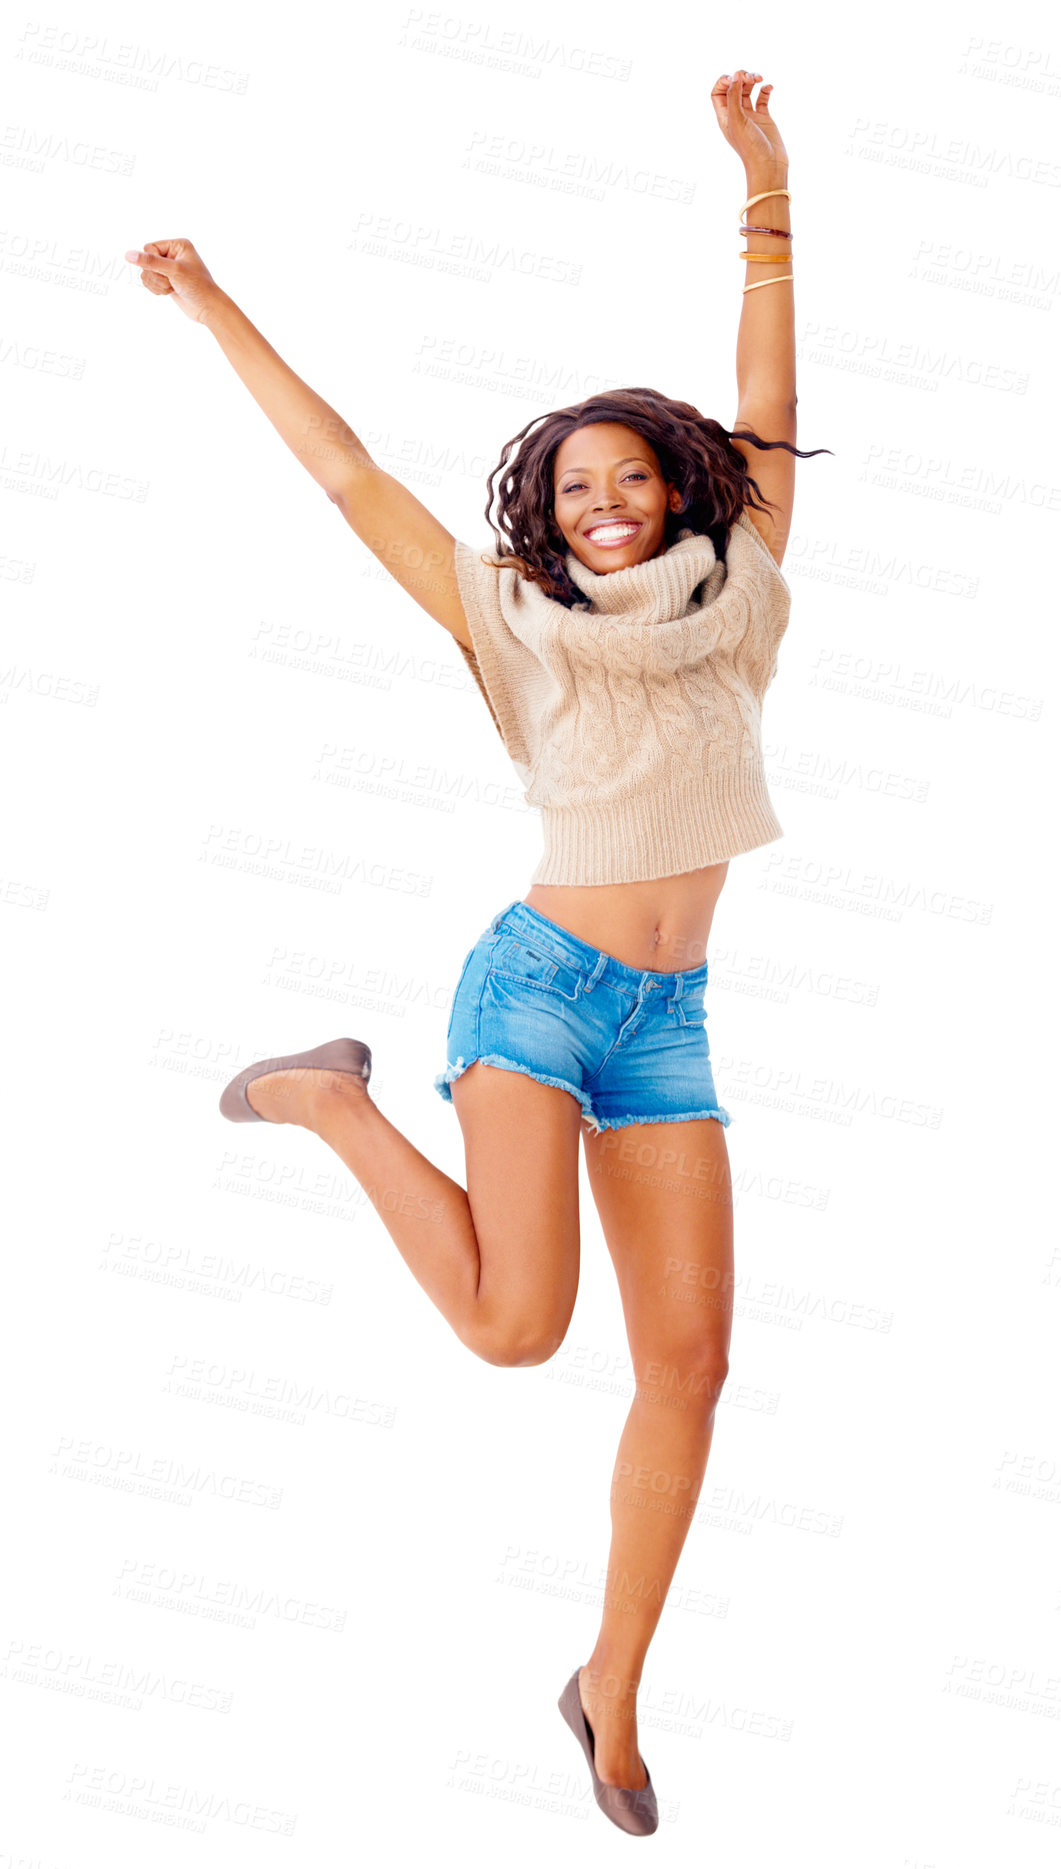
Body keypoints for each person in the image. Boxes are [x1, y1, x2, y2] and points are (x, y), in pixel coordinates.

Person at [125, 68, 829, 1838]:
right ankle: (332, 1102)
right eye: (574, 484)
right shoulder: (508, 627)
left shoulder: (739, 604)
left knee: (692, 1370)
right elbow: (348, 470)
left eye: (630, 476)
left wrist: (766, 194)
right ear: (547, 510)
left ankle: (611, 1685)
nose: (603, 500)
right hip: (529, 991)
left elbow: (772, 402)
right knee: (519, 1333)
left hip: (664, 1020)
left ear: (675, 491)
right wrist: (217, 307)